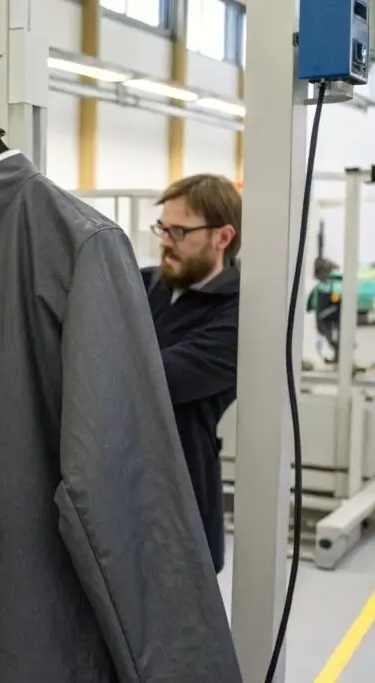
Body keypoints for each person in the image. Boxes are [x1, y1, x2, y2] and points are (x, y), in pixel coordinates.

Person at [142, 173, 241, 573]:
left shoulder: (241, 311)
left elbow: (159, 379)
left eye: (180, 231)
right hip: (114, 480)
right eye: (163, 227)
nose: (165, 240)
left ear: (222, 237)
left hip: (181, 494)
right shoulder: (144, 283)